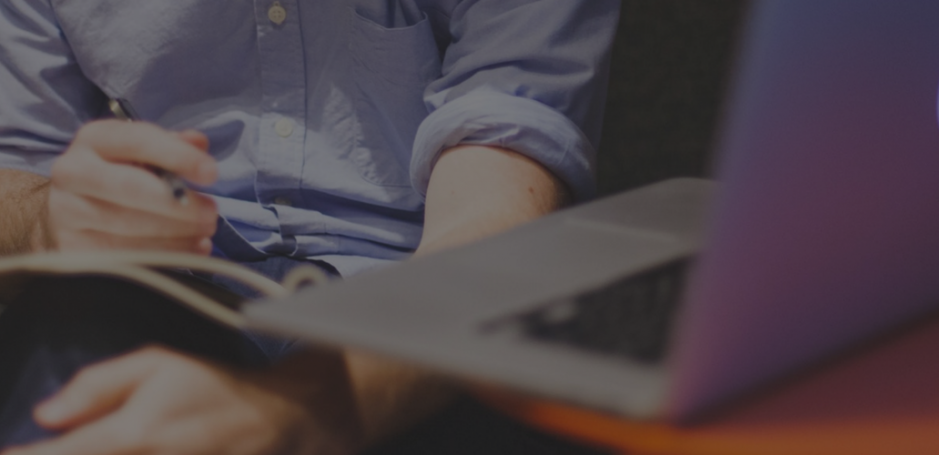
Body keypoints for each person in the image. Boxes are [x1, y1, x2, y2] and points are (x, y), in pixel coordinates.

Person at [0, 0, 619, 453]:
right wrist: (49, 220)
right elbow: (14, 169)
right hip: (162, 276)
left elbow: (495, 220)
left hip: (419, 283)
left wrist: (292, 415)